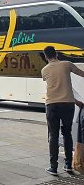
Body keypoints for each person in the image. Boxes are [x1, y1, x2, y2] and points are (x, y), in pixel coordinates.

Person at [41, 46, 84, 175]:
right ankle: (68, 165)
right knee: (67, 133)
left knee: (53, 135)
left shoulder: (44, 70)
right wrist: (77, 102)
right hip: (68, 105)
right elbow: (79, 76)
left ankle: (53, 167)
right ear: (57, 54)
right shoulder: (67, 64)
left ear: (45, 57)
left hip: (51, 105)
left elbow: (56, 87)